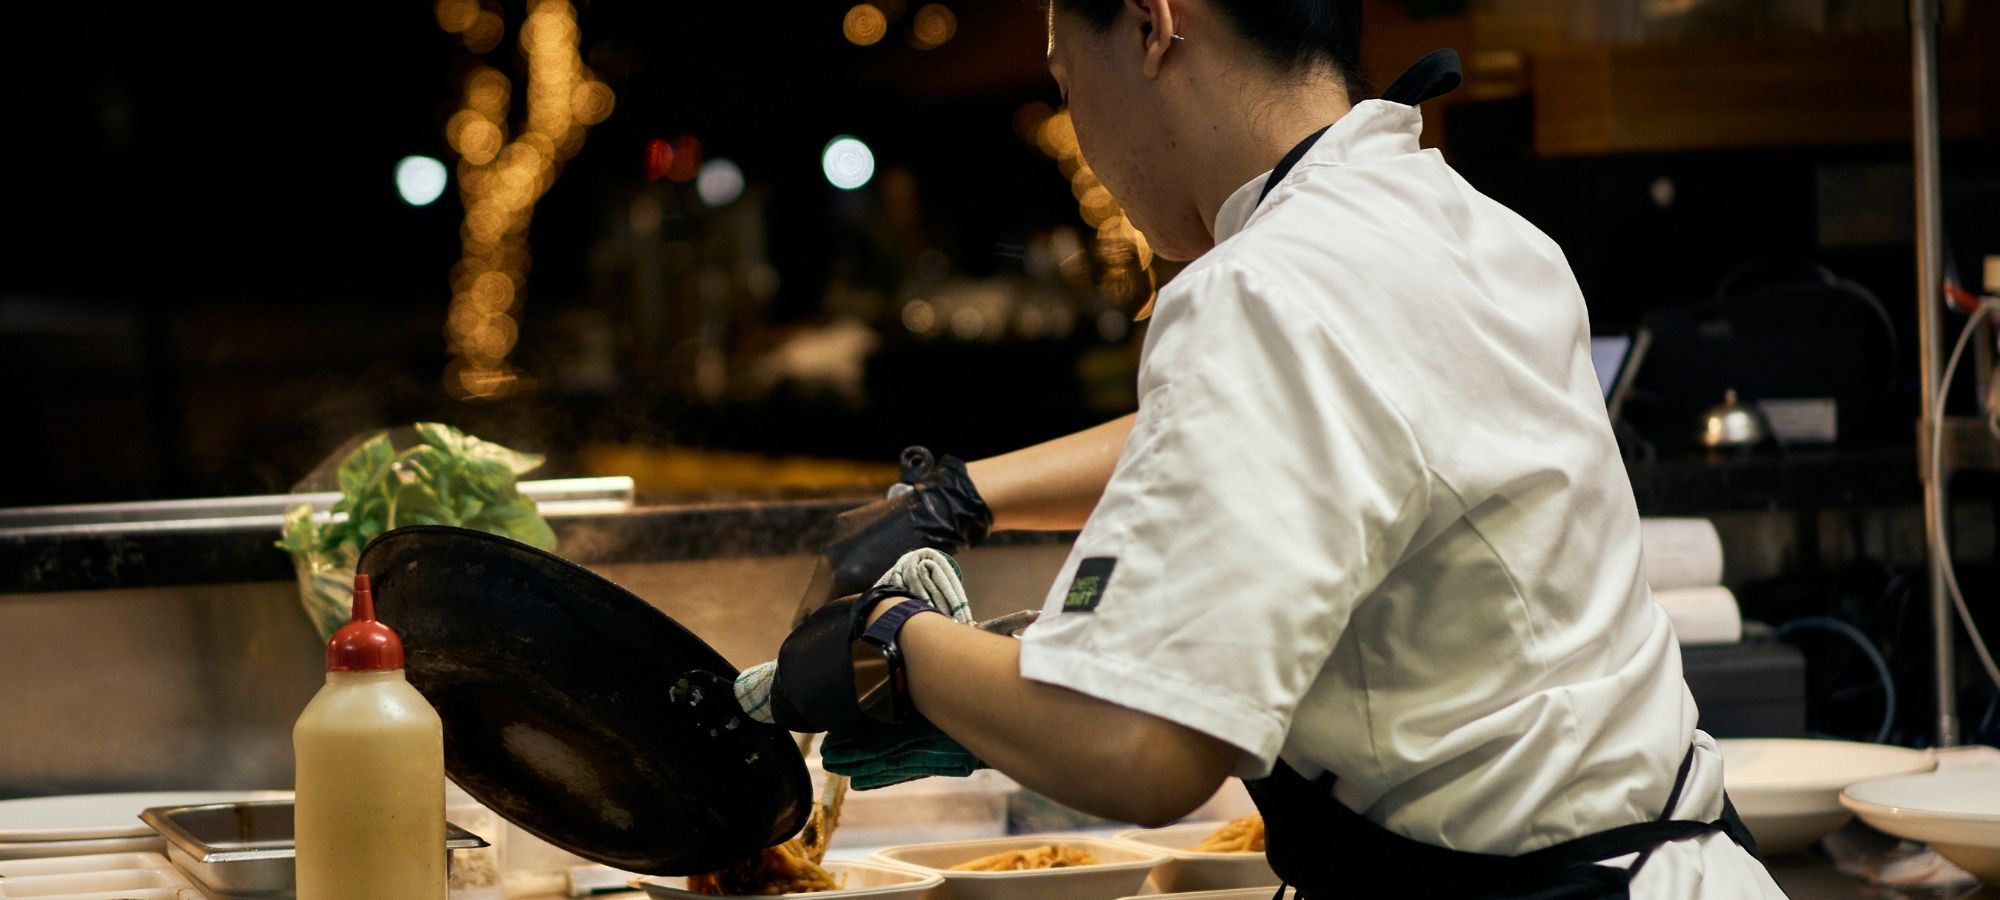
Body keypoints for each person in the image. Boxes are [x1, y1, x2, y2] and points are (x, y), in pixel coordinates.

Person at [761, 0, 1787, 895]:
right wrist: (960, 495)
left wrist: (891, 643)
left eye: (1067, 82)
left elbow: (1140, 749)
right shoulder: (1456, 222)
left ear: (1150, 22)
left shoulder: (1262, 284)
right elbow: (1256, 429)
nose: (1084, 137)